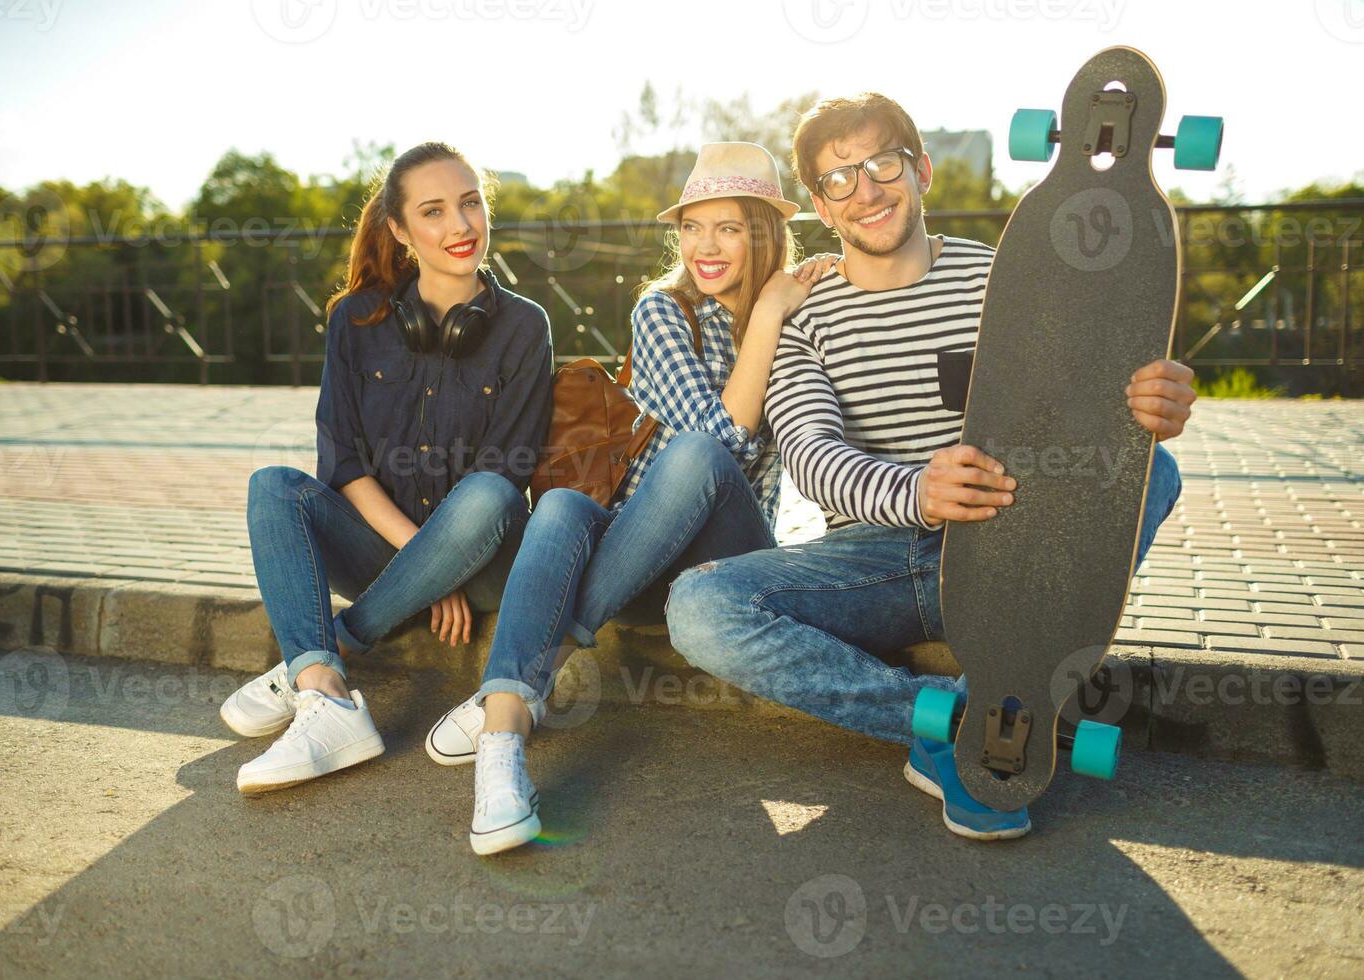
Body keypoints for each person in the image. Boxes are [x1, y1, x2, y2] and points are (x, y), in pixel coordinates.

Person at [665, 94, 1195, 841]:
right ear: (819, 204)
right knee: (699, 608)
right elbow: (813, 459)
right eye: (840, 179)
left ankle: (987, 703)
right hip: (876, 558)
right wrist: (918, 491)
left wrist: (1148, 406)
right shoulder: (803, 316)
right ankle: (959, 717)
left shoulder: (1006, 282)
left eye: (883, 164)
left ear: (922, 170)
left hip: (1006, 545)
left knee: (1155, 468)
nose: (867, 189)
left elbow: (1090, 413)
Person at [424, 142, 839, 855]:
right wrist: (768, 316)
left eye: (729, 228)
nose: (705, 246)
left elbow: (726, 458)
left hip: (729, 564)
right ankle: (503, 755)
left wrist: (771, 314)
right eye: (692, 227)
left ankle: (517, 685)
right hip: (636, 555)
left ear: (764, 232)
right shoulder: (663, 311)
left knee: (698, 455)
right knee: (558, 508)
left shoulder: (799, 311)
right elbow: (725, 434)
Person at [221, 142, 553, 794]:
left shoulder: (525, 326)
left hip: (485, 562)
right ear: (399, 230)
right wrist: (428, 567)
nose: (460, 226)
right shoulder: (356, 320)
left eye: (470, 203)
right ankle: (327, 699)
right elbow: (342, 462)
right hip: (384, 552)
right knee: (274, 488)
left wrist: (452, 564)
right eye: (434, 212)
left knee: (488, 492)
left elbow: (505, 474)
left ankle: (334, 644)